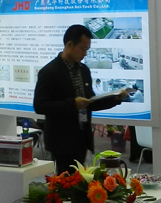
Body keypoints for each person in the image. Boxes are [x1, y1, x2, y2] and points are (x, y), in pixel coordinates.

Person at [33, 24, 129, 174]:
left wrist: (116, 98)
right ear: (69, 45)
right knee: (67, 180)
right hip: (62, 139)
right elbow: (40, 105)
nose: (85, 54)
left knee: (81, 179)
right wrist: (72, 104)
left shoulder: (84, 70)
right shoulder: (50, 72)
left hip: (82, 136)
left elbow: (90, 102)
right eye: (83, 49)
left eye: (87, 50)